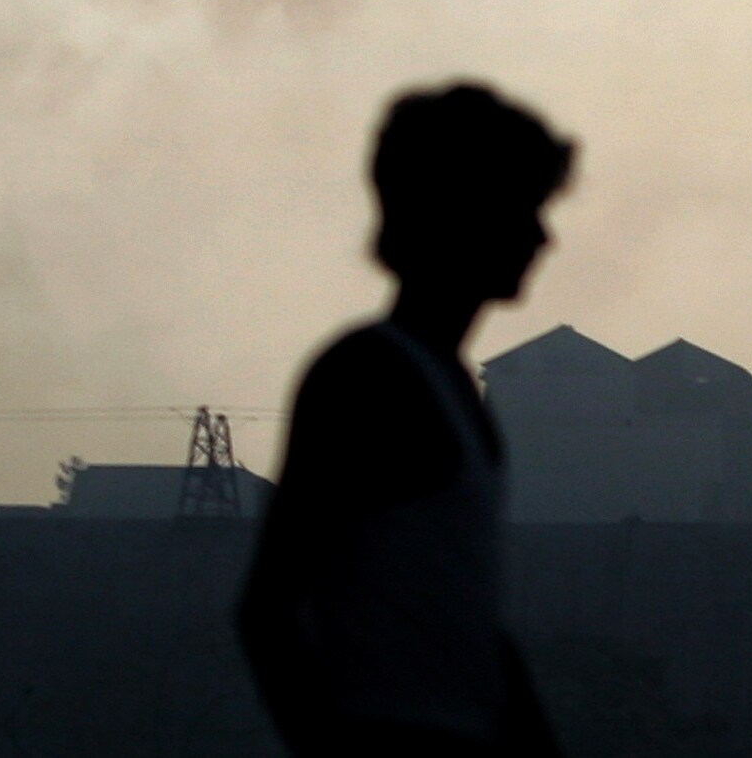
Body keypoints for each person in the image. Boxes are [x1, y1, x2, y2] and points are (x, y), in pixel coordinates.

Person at [238, 82, 574, 758]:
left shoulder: (448, 388)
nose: (543, 236)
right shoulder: (371, 379)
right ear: (459, 212)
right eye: (524, 206)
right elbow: (268, 609)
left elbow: (459, 617)